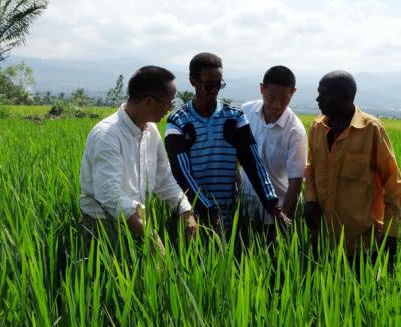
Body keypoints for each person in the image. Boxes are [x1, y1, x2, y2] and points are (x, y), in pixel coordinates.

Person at [164, 52, 290, 233]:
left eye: (219, 84)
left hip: (228, 215)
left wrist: (273, 206)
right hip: (191, 215)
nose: (214, 90)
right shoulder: (178, 122)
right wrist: (207, 209)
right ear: (193, 81)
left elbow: (253, 163)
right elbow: (181, 173)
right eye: (208, 85)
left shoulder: (234, 118)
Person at [79, 66, 196, 253]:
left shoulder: (151, 130)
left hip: (136, 221)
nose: (170, 109)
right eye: (169, 103)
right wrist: (149, 233)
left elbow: (163, 177)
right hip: (104, 227)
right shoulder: (107, 135)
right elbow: (110, 195)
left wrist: (184, 210)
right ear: (149, 102)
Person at [303, 70, 401, 264]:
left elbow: (393, 183)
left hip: (362, 244)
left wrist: (391, 234)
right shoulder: (317, 128)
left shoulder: (372, 129)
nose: (318, 99)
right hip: (322, 241)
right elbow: (311, 169)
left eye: (324, 94)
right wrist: (310, 199)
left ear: (346, 97)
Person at [240, 66, 307, 232]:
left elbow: (295, 182)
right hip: (243, 209)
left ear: (293, 93)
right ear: (262, 89)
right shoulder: (246, 112)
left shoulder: (295, 131)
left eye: (285, 98)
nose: (277, 105)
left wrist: (285, 220)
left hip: (274, 215)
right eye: (271, 97)